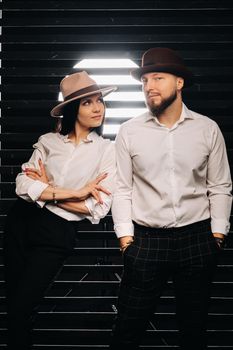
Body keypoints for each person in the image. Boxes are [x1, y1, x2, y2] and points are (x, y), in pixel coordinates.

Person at [110, 48, 232, 350]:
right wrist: (126, 239)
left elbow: (219, 185)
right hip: (146, 241)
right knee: (127, 329)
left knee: (194, 330)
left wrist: (217, 235)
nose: (149, 85)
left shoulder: (207, 129)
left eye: (158, 78)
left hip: (197, 239)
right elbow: (122, 188)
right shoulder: (129, 131)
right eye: (145, 80)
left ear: (179, 83)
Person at [4, 71, 117, 349]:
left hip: (57, 233)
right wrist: (75, 192)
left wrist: (48, 192)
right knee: (15, 306)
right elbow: (21, 184)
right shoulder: (48, 141)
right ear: (71, 109)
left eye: (99, 101)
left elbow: (97, 208)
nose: (97, 108)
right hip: (21, 222)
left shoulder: (107, 150)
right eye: (87, 102)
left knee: (23, 304)